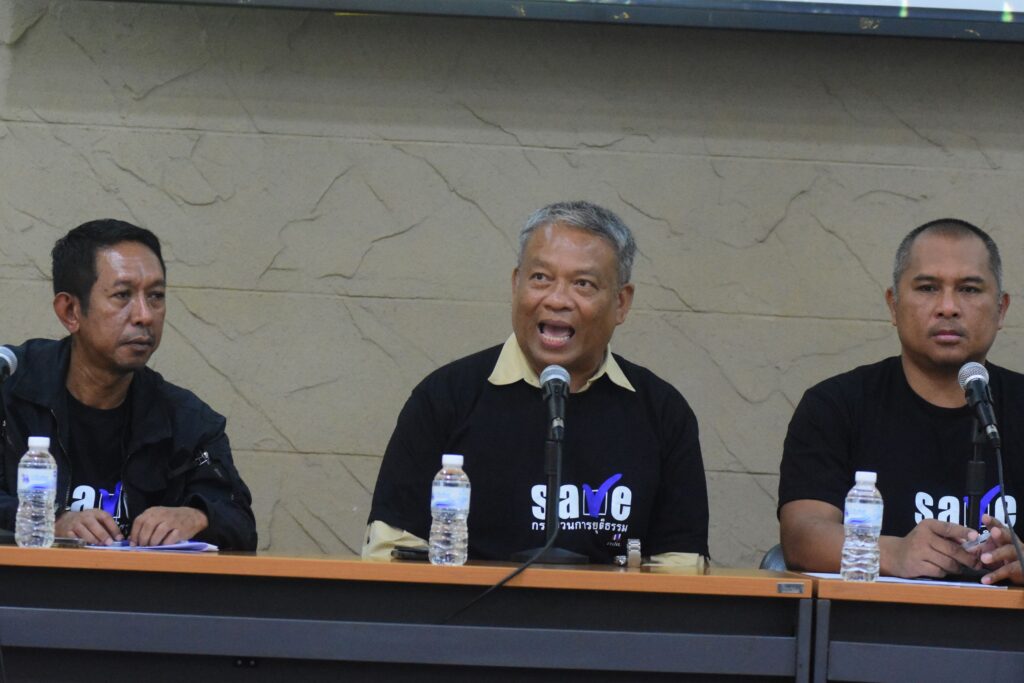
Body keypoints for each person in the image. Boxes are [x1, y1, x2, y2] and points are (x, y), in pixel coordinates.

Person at [363, 201, 709, 564]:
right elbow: (389, 555)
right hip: (473, 603)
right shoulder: (445, 398)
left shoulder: (662, 412)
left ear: (621, 303)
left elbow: (680, 566)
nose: (557, 299)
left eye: (583, 284)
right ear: (516, 285)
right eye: (541, 278)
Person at [778, 218, 1024, 582]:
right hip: (875, 618)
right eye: (927, 288)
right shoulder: (835, 405)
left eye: (969, 289)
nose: (948, 307)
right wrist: (892, 553)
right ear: (893, 305)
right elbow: (800, 537)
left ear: (1001, 309)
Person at [0, 219, 256, 550]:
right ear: (70, 311)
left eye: (156, 296)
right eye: (122, 295)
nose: (145, 315)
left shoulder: (187, 421)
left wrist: (198, 516)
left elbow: (240, 521)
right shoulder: (10, 389)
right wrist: (48, 520)